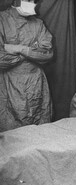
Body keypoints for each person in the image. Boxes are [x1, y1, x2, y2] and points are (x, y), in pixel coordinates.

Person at [0, 0, 54, 132]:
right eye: (27, 0)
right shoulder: (2, 20)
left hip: (36, 84)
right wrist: (32, 51)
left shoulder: (38, 24)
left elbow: (47, 54)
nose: (31, 2)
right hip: (9, 84)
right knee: (12, 136)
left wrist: (19, 49)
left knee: (39, 131)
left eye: (33, 0)